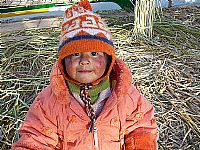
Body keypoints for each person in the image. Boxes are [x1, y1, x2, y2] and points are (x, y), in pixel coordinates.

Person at [12, 0, 158, 149]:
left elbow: (141, 127)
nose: (84, 61)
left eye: (94, 53)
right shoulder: (48, 103)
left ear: (109, 59)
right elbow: (35, 140)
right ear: (63, 61)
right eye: (75, 54)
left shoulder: (125, 95)